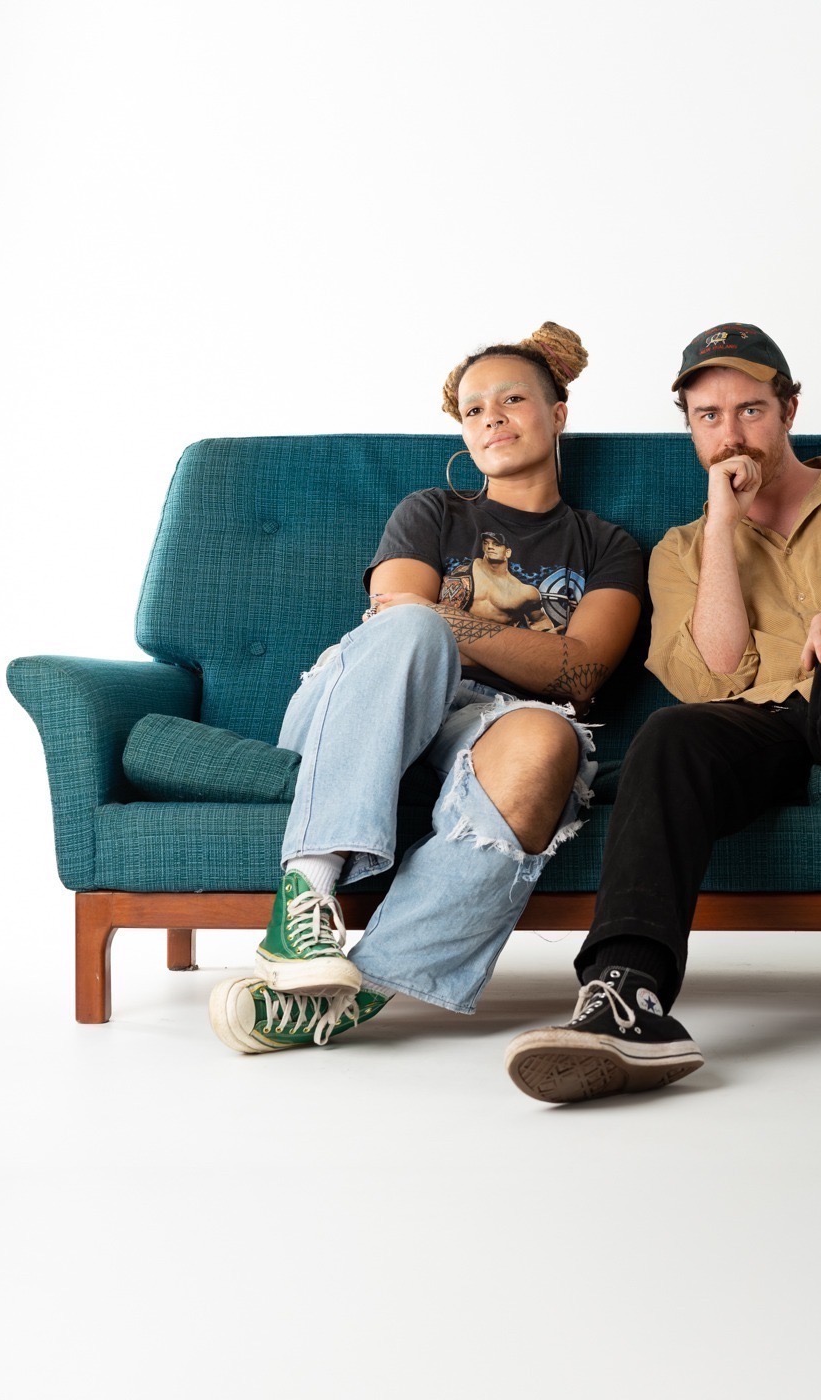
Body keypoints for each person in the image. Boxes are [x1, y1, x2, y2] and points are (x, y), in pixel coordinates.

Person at [505, 322, 821, 1103]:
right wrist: (724, 526)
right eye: (709, 416)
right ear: (691, 430)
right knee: (669, 736)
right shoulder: (682, 550)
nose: (730, 433)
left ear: (789, 409)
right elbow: (718, 676)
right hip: (769, 720)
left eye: (750, 410)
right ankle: (627, 993)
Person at [209, 323, 644, 1053]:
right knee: (414, 632)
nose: (492, 417)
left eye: (512, 400)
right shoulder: (433, 512)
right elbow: (395, 620)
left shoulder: (608, 546)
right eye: (474, 410)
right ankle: (304, 903)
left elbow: (579, 674)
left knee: (548, 739)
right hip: (370, 700)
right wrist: (457, 630)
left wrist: (446, 617)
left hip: (497, 723)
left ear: (558, 413)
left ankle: (346, 999)